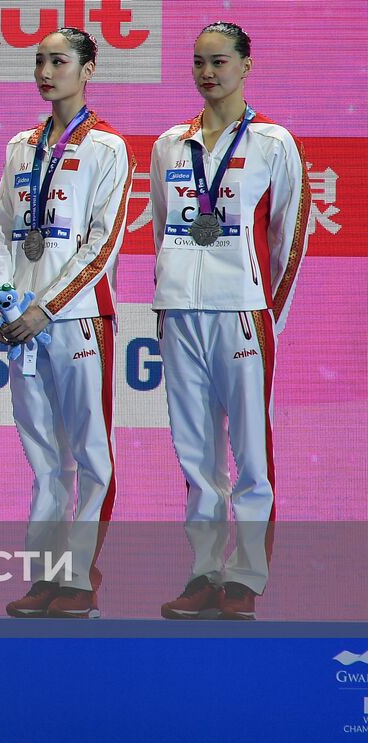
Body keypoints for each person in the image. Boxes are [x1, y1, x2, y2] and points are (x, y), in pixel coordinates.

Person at [152, 23, 308, 621]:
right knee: (195, 454)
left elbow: (289, 237)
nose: (207, 73)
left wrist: (270, 314)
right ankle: (203, 573)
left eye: (219, 61)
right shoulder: (170, 143)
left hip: (243, 315)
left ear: (247, 65)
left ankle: (244, 578)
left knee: (249, 452)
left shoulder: (272, 142)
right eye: (198, 63)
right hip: (182, 316)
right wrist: (167, 301)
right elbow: (167, 226)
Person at [0, 28, 132, 619]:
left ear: (89, 68)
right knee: (46, 459)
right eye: (40, 61)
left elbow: (102, 246)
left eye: (61, 61)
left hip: (76, 322)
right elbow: (1, 231)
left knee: (90, 455)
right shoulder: (22, 147)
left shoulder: (108, 147)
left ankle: (78, 581)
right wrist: (5, 302)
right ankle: (43, 578)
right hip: (23, 325)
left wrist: (43, 308)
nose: (47, 71)